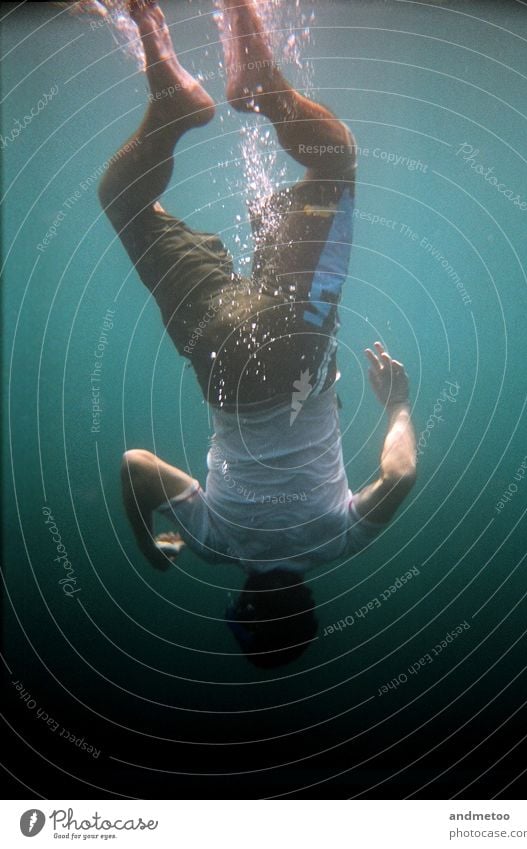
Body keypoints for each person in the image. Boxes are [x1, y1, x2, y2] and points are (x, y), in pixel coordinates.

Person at [98, 0, 417, 668]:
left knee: (334, 163)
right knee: (125, 200)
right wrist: (151, 541)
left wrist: (398, 403)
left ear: (305, 601)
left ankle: (265, 89)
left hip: (301, 345)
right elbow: (134, 467)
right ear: (244, 602)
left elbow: (401, 473)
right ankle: (170, 102)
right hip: (221, 361)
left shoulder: (337, 539)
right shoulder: (216, 543)